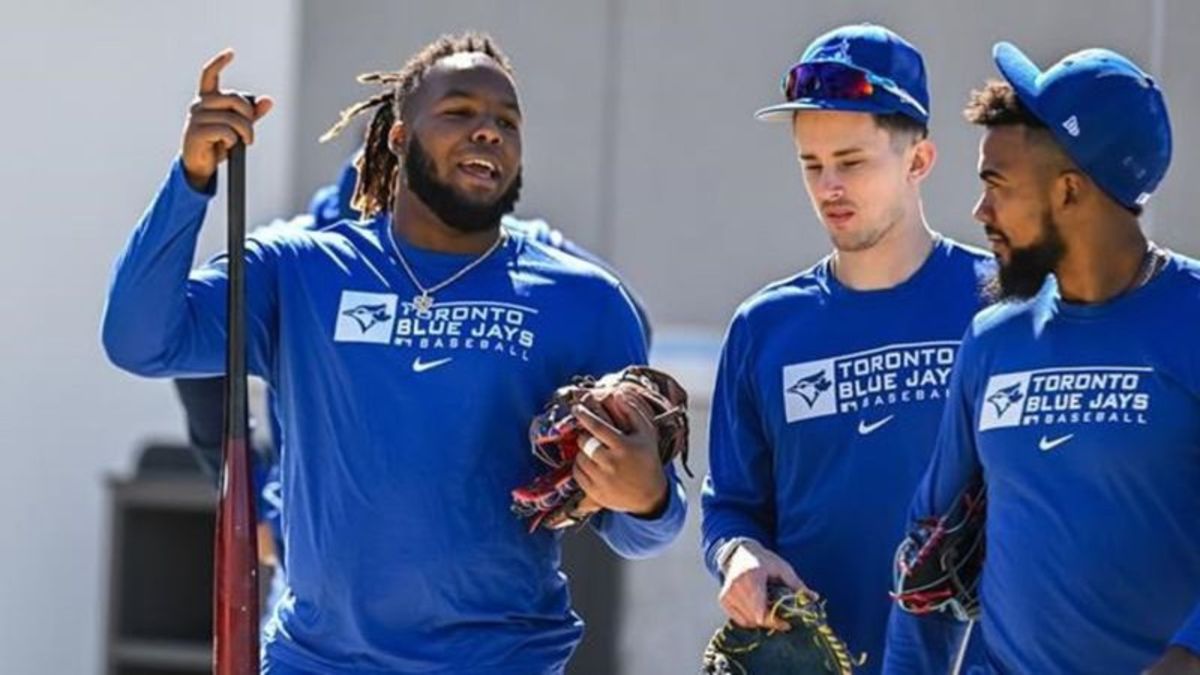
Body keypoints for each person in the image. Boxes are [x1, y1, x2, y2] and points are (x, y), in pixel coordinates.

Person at [102, 32, 685, 674]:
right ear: (397, 139)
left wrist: (644, 496)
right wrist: (192, 179)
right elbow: (140, 339)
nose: (488, 131)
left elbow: (642, 531)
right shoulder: (299, 270)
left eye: (506, 121)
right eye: (459, 111)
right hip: (316, 661)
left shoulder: (586, 300)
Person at [886, 43, 1200, 674]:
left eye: (997, 186)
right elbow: (929, 554)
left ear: (1068, 191)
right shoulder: (992, 339)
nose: (980, 212)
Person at [699, 24, 991, 673]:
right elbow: (731, 508)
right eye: (812, 164)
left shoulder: (999, 304)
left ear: (918, 161)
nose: (829, 185)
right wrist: (738, 555)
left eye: (852, 161)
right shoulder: (764, 327)